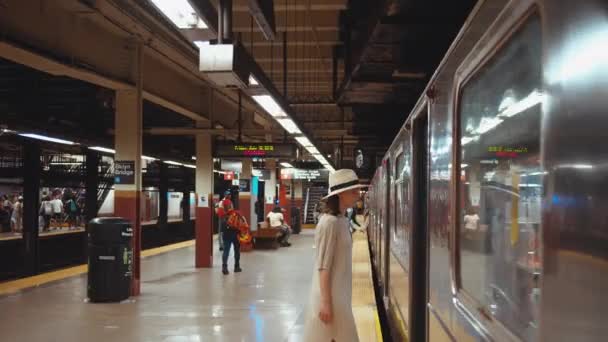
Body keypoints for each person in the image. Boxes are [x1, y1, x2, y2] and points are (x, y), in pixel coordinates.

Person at [302, 169, 364, 342]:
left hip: (340, 293)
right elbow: (323, 266)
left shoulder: (342, 220)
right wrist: (326, 303)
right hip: (331, 298)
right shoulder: (329, 223)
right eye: (354, 191)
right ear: (341, 195)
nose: (358, 195)